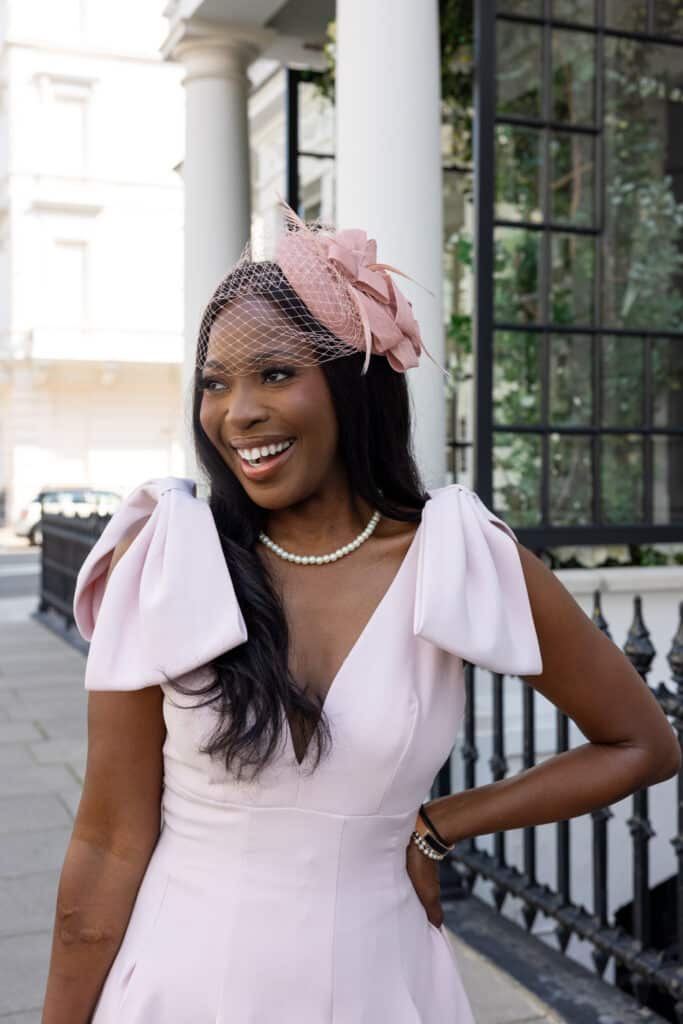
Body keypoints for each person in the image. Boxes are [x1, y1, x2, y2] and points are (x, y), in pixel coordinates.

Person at [42, 203, 680, 1023]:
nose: (237, 412)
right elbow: (106, 844)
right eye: (215, 382)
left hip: (380, 985)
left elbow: (640, 744)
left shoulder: (455, 555)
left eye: (275, 373)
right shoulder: (168, 561)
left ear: (355, 384)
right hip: (183, 986)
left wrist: (438, 823)